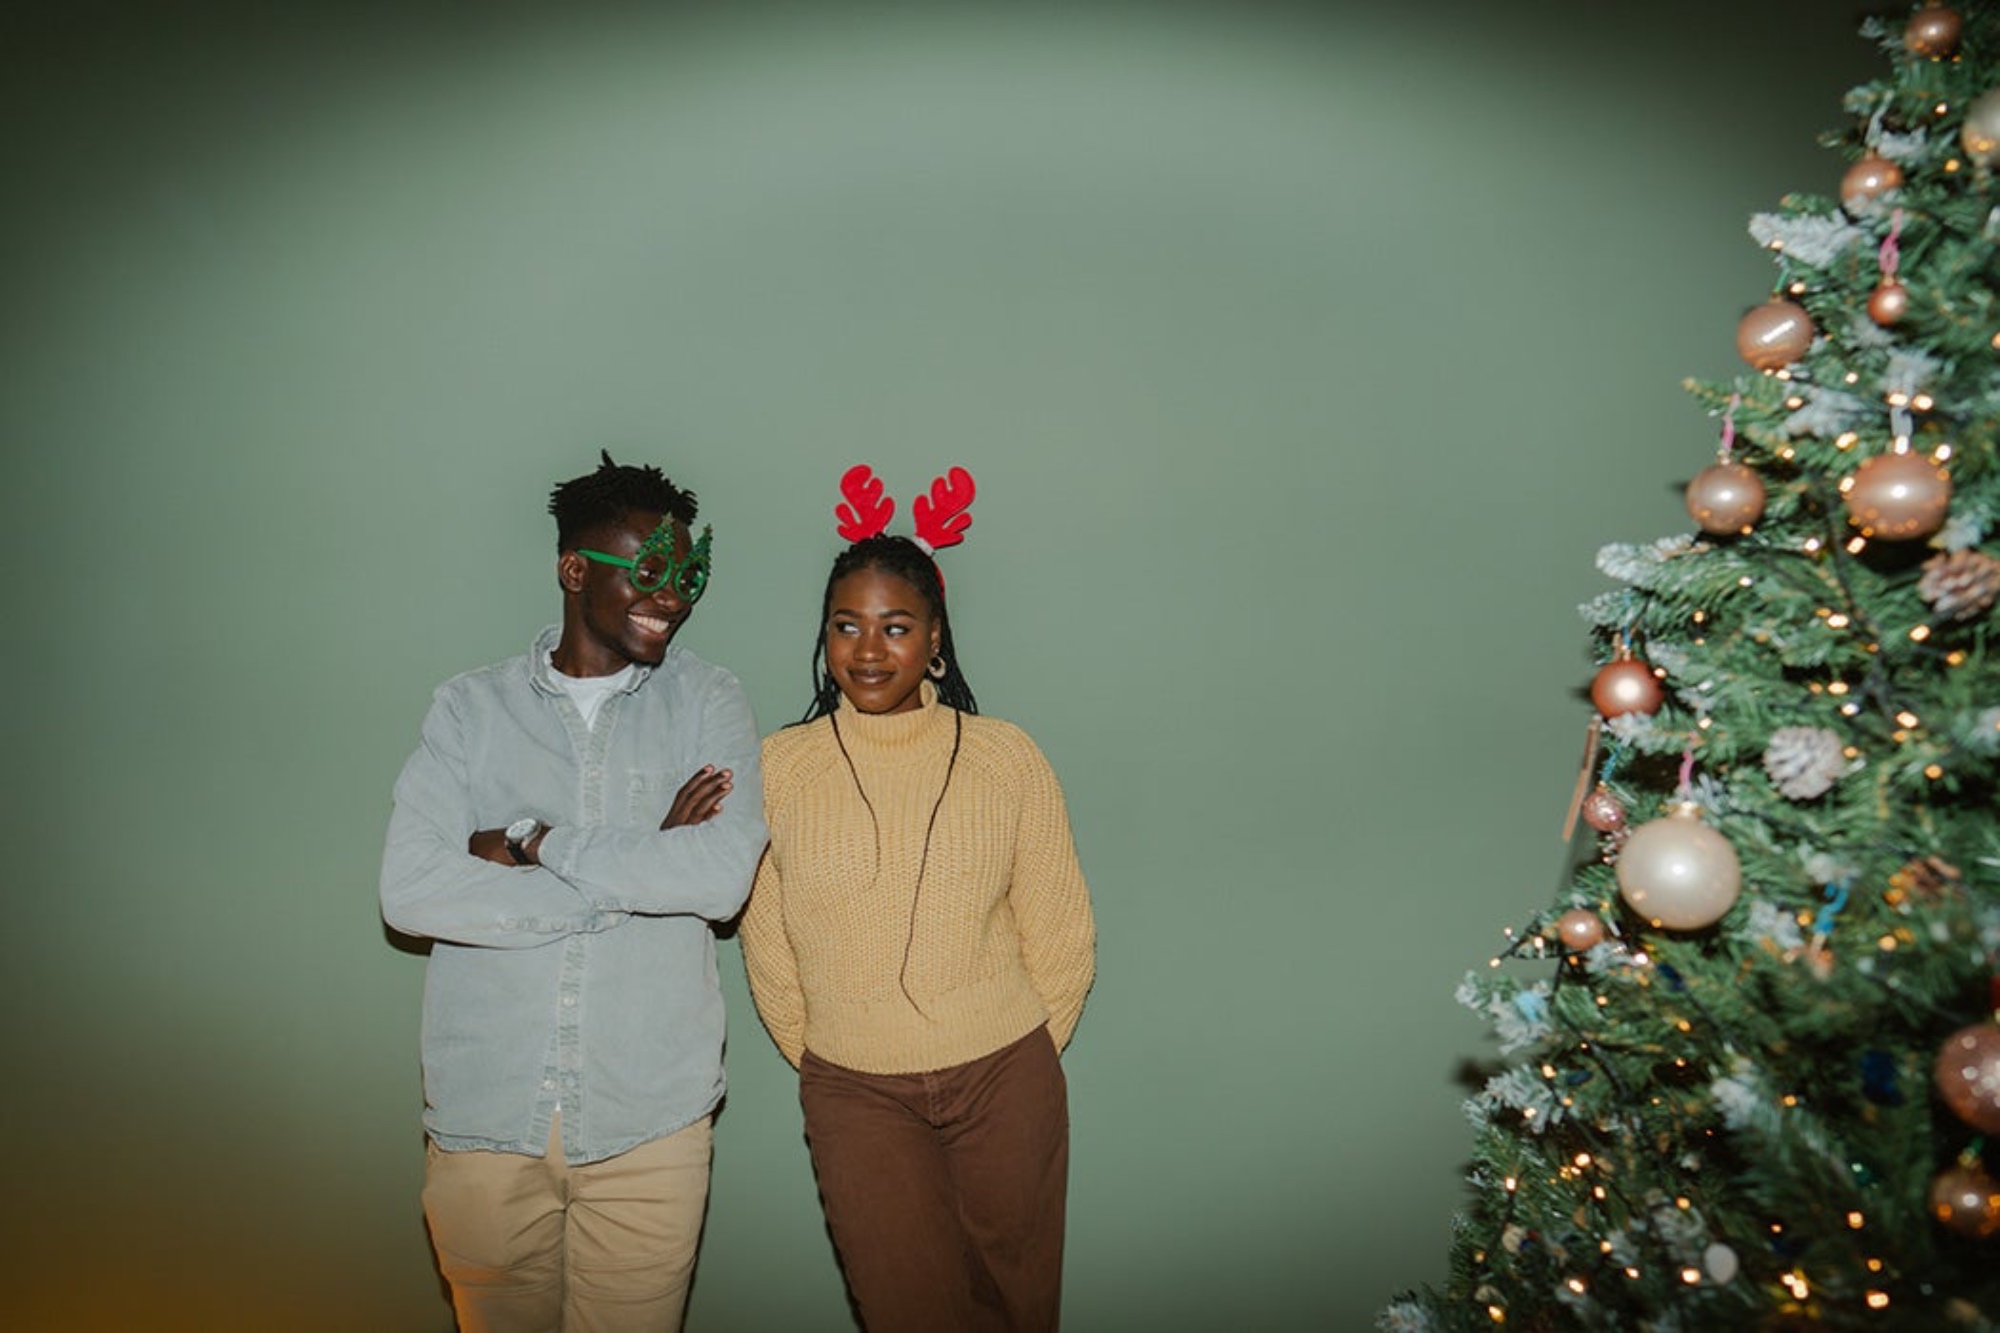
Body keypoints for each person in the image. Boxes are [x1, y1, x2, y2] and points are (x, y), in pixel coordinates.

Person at [379, 451, 766, 1333]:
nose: (672, 599)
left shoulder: (708, 701)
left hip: (650, 1128)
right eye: (649, 573)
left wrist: (534, 841)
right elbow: (410, 889)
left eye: (687, 578)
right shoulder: (468, 711)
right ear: (574, 570)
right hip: (486, 1123)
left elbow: (719, 877)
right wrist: (637, 867)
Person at [739, 465, 1096, 1333]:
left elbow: (1061, 929)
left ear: (935, 639)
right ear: (825, 636)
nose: (868, 650)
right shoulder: (779, 767)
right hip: (855, 1093)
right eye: (847, 626)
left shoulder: (1005, 755)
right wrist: (834, 1057)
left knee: (1018, 1310)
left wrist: (1016, 1056)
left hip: (1006, 1076)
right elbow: (768, 944)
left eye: (895, 627)